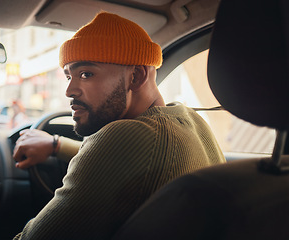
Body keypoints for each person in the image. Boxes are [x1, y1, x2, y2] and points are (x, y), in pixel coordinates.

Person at [13, 12, 225, 240]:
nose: (69, 90)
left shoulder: (127, 135)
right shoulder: (191, 121)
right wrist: (56, 145)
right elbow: (129, 163)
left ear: (136, 76)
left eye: (86, 73)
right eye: (68, 76)